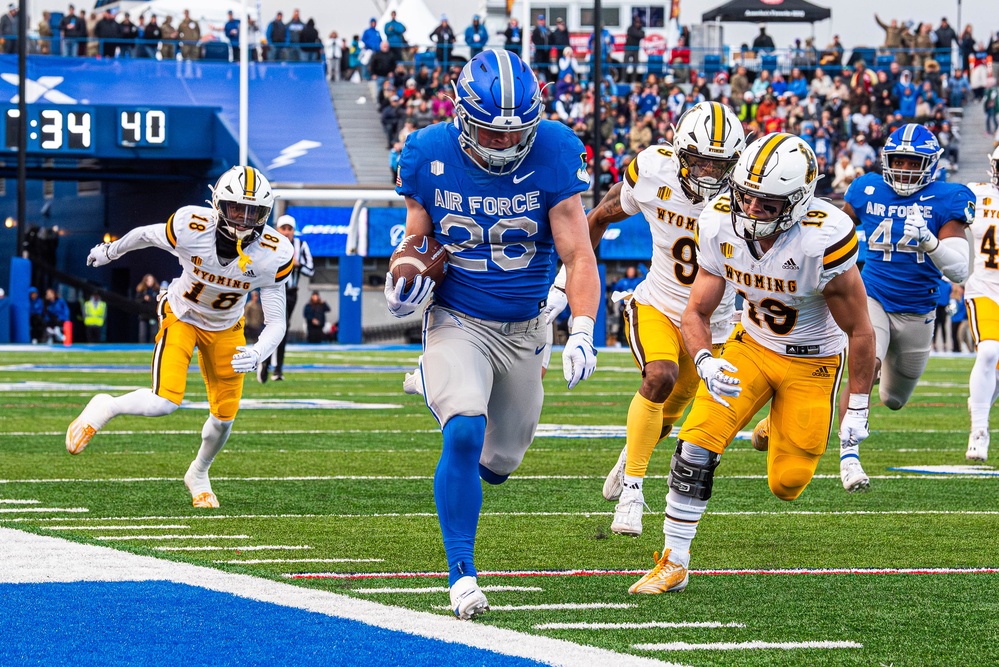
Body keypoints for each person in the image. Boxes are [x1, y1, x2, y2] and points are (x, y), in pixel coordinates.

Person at [388, 49, 600, 619]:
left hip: (527, 327)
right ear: (461, 115)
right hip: (458, 318)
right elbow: (417, 241)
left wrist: (581, 327)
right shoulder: (426, 153)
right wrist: (404, 275)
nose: (504, 144)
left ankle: (433, 383)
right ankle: (461, 575)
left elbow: (578, 253)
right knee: (462, 431)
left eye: (515, 134)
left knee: (500, 460)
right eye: (490, 132)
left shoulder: (555, 148)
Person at [628, 133, 876, 594]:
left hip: (813, 361)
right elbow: (696, 311)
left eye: (766, 203)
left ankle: (771, 428)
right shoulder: (720, 221)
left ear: (799, 202)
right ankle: (674, 560)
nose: (751, 209)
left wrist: (858, 404)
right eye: (745, 195)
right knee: (696, 441)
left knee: (788, 484)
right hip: (751, 345)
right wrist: (703, 359)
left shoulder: (823, 239)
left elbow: (861, 331)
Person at [545, 102, 746, 536]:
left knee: (670, 415)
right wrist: (564, 283)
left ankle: (631, 454)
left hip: (713, 321)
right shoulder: (653, 171)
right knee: (659, 377)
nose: (710, 174)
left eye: (720, 165)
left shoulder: (748, 200)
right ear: (678, 152)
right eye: (700, 162)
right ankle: (633, 493)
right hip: (656, 302)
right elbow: (596, 217)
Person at [66, 166, 294, 508]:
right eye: (236, 208)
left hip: (227, 328)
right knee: (164, 402)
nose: (245, 220)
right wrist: (111, 252)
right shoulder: (192, 226)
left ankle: (198, 472)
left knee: (224, 419)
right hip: (183, 313)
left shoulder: (274, 253)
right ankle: (106, 406)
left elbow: (277, 321)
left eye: (254, 212)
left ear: (266, 213)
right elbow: (145, 234)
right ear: (218, 204)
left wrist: (260, 351)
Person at [840, 124, 974, 491]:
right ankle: (848, 457)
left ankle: (876, 382)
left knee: (895, 400)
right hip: (874, 296)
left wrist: (930, 241)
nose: (902, 168)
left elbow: (960, 269)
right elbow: (835, 228)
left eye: (911, 162)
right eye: (896, 160)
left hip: (918, 313)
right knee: (868, 361)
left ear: (930, 164)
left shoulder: (947, 197)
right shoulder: (866, 188)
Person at [963, 147, 999, 461]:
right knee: (989, 352)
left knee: (994, 367)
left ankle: (980, 402)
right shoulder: (977, 195)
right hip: (985, 289)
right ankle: (979, 430)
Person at [259, 214, 313, 383]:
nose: (287, 232)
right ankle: (269, 363)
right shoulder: (269, 244)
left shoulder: (301, 245)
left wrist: (298, 264)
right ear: (278, 230)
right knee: (276, 326)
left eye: (290, 229)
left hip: (291, 292)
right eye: (284, 228)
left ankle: (275, 367)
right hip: (272, 289)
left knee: (283, 328)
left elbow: (310, 270)